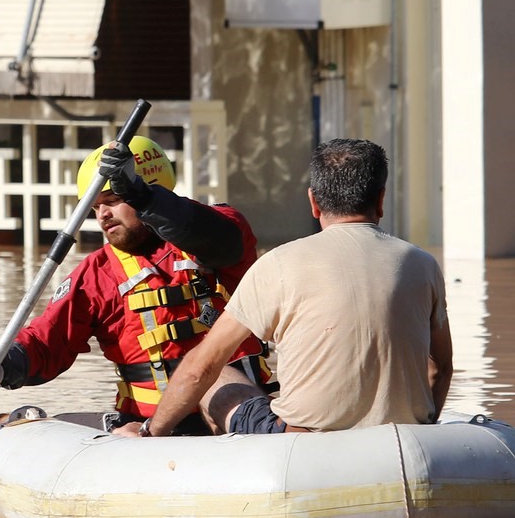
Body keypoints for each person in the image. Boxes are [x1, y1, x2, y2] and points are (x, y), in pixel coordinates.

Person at [134, 138, 452, 438]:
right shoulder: (423, 263)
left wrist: (150, 433)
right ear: (381, 200)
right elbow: (440, 369)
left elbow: (200, 369)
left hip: (299, 441)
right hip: (403, 433)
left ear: (313, 202)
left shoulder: (279, 263)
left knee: (218, 376)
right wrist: (426, 427)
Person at [0, 136, 268, 434]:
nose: (103, 215)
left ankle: (265, 435)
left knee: (221, 387)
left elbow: (220, 241)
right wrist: (3, 363)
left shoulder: (221, 228)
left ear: (148, 189)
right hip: (145, 427)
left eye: (113, 200)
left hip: (233, 411)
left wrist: (142, 197)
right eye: (95, 207)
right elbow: (48, 341)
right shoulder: (96, 274)